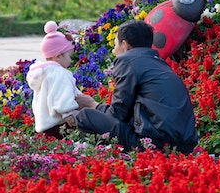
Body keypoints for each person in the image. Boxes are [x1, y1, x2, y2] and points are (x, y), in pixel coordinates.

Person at [72, 19, 199, 153]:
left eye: (115, 45)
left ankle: (105, 158)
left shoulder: (127, 61)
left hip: (153, 144)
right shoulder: (159, 64)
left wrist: (93, 104)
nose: (114, 51)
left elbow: (117, 114)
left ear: (125, 45)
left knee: (85, 116)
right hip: (185, 146)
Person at [27, 21, 96, 138]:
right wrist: (67, 113)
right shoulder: (59, 73)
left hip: (46, 122)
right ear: (58, 56)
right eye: (69, 56)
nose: (71, 60)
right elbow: (60, 94)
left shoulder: (44, 72)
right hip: (60, 122)